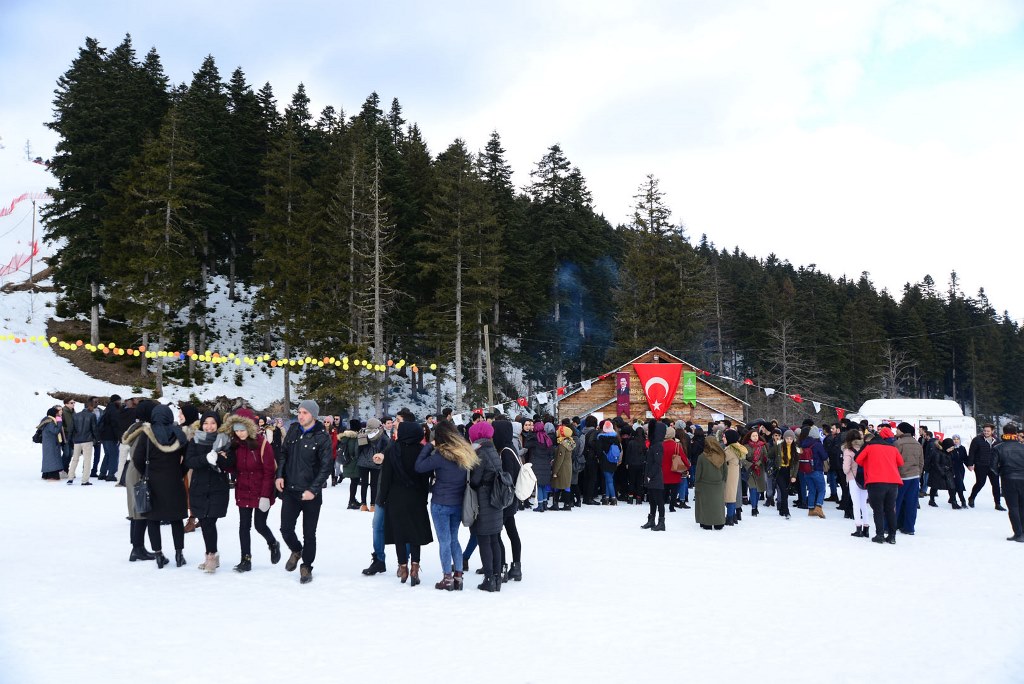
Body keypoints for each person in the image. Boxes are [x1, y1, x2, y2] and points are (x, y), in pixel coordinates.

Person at [415, 419, 478, 590]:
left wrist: (429, 446)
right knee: (454, 539)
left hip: (441, 503)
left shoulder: (441, 456)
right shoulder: (465, 454)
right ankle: (458, 576)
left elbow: (419, 466)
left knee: (444, 541)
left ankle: (447, 578)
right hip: (458, 502)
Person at [275, 400, 332, 584]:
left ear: (313, 415)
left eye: (305, 413)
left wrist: (313, 490)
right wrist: (279, 475)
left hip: (310, 495)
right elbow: (283, 454)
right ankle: (296, 550)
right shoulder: (293, 430)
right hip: (291, 491)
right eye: (299, 412)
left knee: (309, 534)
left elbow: (326, 467)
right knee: (285, 529)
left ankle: (306, 566)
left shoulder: (322, 437)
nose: (300, 416)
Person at [130, 404, 189, 567]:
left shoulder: (147, 434)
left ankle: (158, 555)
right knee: (176, 519)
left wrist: (146, 473)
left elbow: (137, 459)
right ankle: (179, 554)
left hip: (153, 482)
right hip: (174, 482)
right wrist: (180, 472)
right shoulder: (179, 434)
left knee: (153, 520)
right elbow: (188, 458)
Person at [224, 408, 281, 572]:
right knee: (244, 526)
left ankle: (273, 543)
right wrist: (223, 461)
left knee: (259, 525)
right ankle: (245, 559)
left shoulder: (262, 445)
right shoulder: (235, 445)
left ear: (250, 428)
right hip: (243, 489)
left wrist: (265, 496)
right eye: (236, 430)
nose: (239, 433)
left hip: (261, 489)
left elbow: (269, 472)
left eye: (242, 430)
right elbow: (234, 469)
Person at [379, 419, 433, 587]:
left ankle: (402, 567)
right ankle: (415, 567)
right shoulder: (422, 450)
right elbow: (426, 477)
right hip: (416, 496)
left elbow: (386, 476)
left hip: (395, 497)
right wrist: (424, 496)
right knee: (415, 532)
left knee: (399, 533)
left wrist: (382, 497)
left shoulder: (392, 450)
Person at [184, 411, 232, 573]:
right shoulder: (195, 440)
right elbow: (189, 461)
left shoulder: (224, 440)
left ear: (218, 424)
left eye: (212, 423)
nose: (209, 426)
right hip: (199, 487)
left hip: (218, 487)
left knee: (209, 521)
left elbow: (230, 464)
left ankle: (210, 556)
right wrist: (206, 458)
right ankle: (213, 554)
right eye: (206, 423)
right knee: (205, 522)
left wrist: (220, 458)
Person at [468, 421, 505, 592]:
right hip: (496, 499)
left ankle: (489, 579)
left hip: (484, 500)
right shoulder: (492, 450)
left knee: (484, 539)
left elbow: (475, 480)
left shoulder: (480, 452)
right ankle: (496, 577)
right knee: (494, 539)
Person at [855, 426, 904, 544]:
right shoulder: (893, 448)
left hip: (875, 481)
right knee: (890, 510)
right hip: (893, 482)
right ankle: (892, 536)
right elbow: (900, 462)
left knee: (878, 510)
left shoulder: (870, 447)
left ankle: (880, 535)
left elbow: (858, 460)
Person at [992, 424, 1024, 541]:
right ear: (1015, 433)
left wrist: (1002, 473)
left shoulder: (998, 447)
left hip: (1008, 479)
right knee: (1022, 506)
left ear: (1004, 432)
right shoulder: (1022, 447)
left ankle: (1018, 533)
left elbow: (992, 467)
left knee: (1013, 507)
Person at [893, 422, 924, 535]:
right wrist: (918, 473)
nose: (896, 431)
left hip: (901, 477)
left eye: (898, 429)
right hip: (915, 476)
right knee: (911, 503)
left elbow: (894, 461)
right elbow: (921, 461)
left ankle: (891, 525)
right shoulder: (917, 444)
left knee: (896, 502)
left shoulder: (898, 443)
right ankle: (909, 527)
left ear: (902, 430)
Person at [968, 423, 1005, 510]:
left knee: (996, 485)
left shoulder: (997, 441)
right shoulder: (977, 440)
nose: (986, 432)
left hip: (994, 466)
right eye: (984, 430)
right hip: (980, 465)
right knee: (980, 483)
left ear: (992, 431)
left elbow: (1000, 453)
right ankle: (972, 498)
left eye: (988, 431)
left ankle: (998, 504)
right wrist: (970, 464)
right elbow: (972, 452)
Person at [694, 438, 727, 530]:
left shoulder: (702, 457)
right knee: (718, 504)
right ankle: (719, 522)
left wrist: (697, 484)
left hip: (705, 484)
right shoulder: (722, 456)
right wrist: (723, 481)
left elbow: (698, 473)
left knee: (706, 504)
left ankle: (706, 522)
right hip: (718, 484)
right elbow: (725, 471)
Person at [843, 429, 871, 538]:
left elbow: (846, 468)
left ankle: (858, 528)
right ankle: (866, 528)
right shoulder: (865, 448)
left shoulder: (848, 450)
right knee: (864, 503)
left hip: (853, 478)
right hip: (865, 478)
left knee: (856, 504)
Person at [356, 418, 387, 512]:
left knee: (364, 484)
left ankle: (363, 505)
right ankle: (373, 505)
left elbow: (357, 448)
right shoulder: (381, 434)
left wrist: (358, 458)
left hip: (363, 461)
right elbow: (387, 446)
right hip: (376, 461)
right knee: (374, 484)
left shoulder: (362, 433)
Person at [67, 398, 99, 485]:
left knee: (75, 459)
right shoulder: (92, 416)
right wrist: (97, 439)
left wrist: (70, 440)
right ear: (90, 406)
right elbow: (94, 429)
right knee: (87, 460)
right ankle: (85, 480)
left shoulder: (75, 415)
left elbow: (71, 429)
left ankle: (70, 478)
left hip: (77, 440)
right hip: (87, 440)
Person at [642, 420, 667, 531]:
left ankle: (661, 522)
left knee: (659, 500)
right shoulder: (654, 444)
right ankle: (651, 520)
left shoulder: (657, 445)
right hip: (652, 476)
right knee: (652, 500)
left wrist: (650, 475)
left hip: (655, 477)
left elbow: (657, 463)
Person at [525, 420, 554, 511]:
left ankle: (540, 505)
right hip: (546, 465)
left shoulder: (534, 438)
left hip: (536, 464)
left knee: (538, 485)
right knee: (544, 485)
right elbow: (551, 452)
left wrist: (530, 434)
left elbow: (526, 445)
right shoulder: (547, 438)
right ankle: (545, 503)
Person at [800, 426, 828, 518]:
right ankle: (818, 507)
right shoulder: (818, 444)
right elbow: (824, 456)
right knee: (821, 489)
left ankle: (811, 509)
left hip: (806, 470)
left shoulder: (804, 444)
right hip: (817, 469)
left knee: (812, 490)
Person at [928, 438, 961, 509]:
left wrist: (952, 471)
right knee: (935, 486)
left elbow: (951, 463)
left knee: (952, 487)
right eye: (950, 448)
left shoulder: (950, 453)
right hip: (937, 472)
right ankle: (931, 500)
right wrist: (942, 473)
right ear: (946, 446)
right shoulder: (937, 452)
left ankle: (954, 502)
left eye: (952, 448)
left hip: (948, 472)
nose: (951, 449)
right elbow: (936, 464)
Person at [742, 429, 768, 517]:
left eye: (756, 435)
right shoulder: (745, 446)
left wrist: (759, 463)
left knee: (758, 489)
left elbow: (765, 457)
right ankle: (753, 508)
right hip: (750, 470)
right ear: (750, 437)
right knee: (752, 488)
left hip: (759, 470)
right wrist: (750, 464)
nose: (755, 437)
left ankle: (756, 506)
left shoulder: (762, 445)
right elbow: (742, 459)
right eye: (753, 436)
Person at [96, 395, 122, 481]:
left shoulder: (106, 409)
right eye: (119, 400)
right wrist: (118, 436)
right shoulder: (114, 410)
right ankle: (111, 474)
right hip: (111, 436)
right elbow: (115, 424)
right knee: (114, 454)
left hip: (104, 436)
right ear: (116, 401)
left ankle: (102, 473)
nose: (120, 402)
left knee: (107, 454)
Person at [597, 420, 622, 505]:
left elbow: (599, 451)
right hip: (614, 460)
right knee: (609, 479)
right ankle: (607, 498)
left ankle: (613, 498)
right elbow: (619, 449)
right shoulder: (616, 438)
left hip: (605, 460)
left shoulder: (601, 438)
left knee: (609, 480)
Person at [723, 429, 745, 525]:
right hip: (733, 474)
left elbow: (721, 459)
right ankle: (732, 516)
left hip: (730, 475)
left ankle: (730, 517)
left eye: (724, 437)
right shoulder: (735, 447)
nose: (723, 438)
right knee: (731, 495)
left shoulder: (730, 450)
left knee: (730, 496)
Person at [340, 420, 362, 509]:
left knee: (354, 482)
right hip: (353, 463)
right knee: (354, 482)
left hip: (348, 462)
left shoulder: (345, 436)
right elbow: (353, 450)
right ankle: (351, 501)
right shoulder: (354, 438)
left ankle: (352, 500)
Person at [38, 407, 64, 480]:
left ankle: (46, 474)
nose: (58, 414)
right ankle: (52, 475)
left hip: (49, 443)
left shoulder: (47, 420)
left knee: (49, 459)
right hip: (51, 444)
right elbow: (55, 431)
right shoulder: (50, 422)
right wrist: (59, 422)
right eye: (57, 413)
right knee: (52, 459)